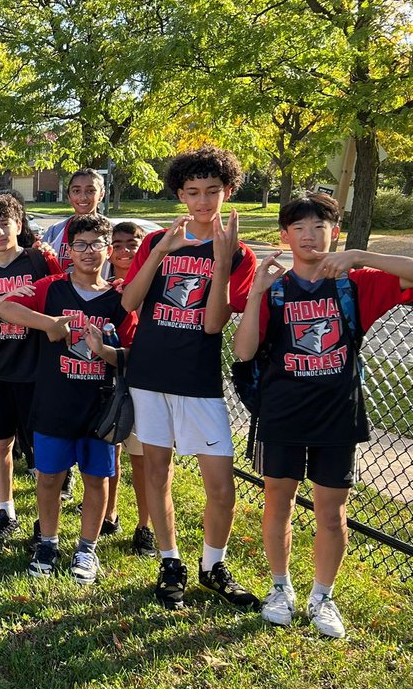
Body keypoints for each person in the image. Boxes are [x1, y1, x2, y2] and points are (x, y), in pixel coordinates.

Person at [234, 193, 413, 637]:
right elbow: (242, 351)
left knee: (331, 511)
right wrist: (257, 291)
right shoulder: (274, 288)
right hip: (282, 413)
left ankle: (323, 596)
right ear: (284, 235)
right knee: (279, 501)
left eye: (320, 226)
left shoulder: (356, 283)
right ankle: (280, 588)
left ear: (334, 230)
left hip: (336, 414)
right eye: (299, 227)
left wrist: (357, 254)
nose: (310, 235)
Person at [120, 145, 259, 611]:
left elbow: (213, 324)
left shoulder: (238, 253)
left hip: (197, 379)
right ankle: (170, 560)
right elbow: (128, 303)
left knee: (221, 484)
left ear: (228, 192)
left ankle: (212, 565)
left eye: (213, 192)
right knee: (156, 471)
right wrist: (160, 250)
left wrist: (221, 264)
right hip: (148, 372)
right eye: (193, 192)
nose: (203, 202)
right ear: (180, 194)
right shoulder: (158, 240)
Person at [0, 214, 137, 583]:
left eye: (96, 245)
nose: (88, 252)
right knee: (49, 478)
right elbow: (5, 308)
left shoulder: (120, 298)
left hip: (100, 407)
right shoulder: (51, 287)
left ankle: (87, 548)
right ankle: (48, 541)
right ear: (68, 250)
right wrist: (49, 324)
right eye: (80, 245)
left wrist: (105, 351)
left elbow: (132, 355)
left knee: (96, 478)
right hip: (54, 401)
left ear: (108, 250)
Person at [0, 193, 62, 544]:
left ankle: (44, 519)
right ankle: (6, 512)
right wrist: (3, 304)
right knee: (1, 443)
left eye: (5, 223)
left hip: (38, 369)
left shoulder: (40, 260)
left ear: (18, 225)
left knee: (41, 451)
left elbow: (62, 300)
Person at [107, 221, 157, 557]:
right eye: (118, 244)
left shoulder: (155, 281)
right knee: (109, 450)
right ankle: (108, 512)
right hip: (108, 375)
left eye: (133, 244)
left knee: (142, 457)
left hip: (144, 377)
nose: (125, 251)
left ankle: (145, 525)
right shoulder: (100, 284)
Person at [40, 168, 105, 273]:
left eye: (90, 191)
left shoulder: (113, 232)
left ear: (101, 194)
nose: (83, 197)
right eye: (76, 191)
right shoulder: (54, 233)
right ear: (69, 196)